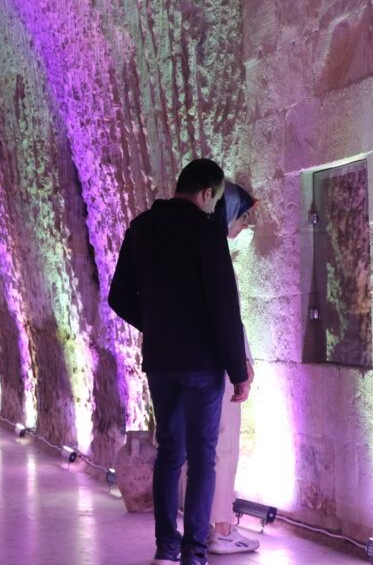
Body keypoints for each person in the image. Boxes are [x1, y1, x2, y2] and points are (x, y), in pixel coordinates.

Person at [108, 159, 251, 565]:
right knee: (203, 456)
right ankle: (195, 552)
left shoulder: (141, 228)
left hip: (161, 360)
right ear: (206, 193)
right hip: (203, 363)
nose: (214, 206)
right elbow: (224, 308)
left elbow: (119, 297)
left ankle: (166, 549)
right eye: (216, 199)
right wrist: (238, 371)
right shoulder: (207, 232)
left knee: (170, 452)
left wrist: (156, 324)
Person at [206, 181, 261, 555]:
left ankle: (210, 525)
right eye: (241, 216)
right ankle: (222, 529)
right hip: (221, 365)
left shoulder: (198, 253)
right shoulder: (217, 258)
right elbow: (229, 320)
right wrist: (242, 364)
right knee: (224, 447)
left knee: (207, 448)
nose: (244, 224)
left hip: (201, 365)